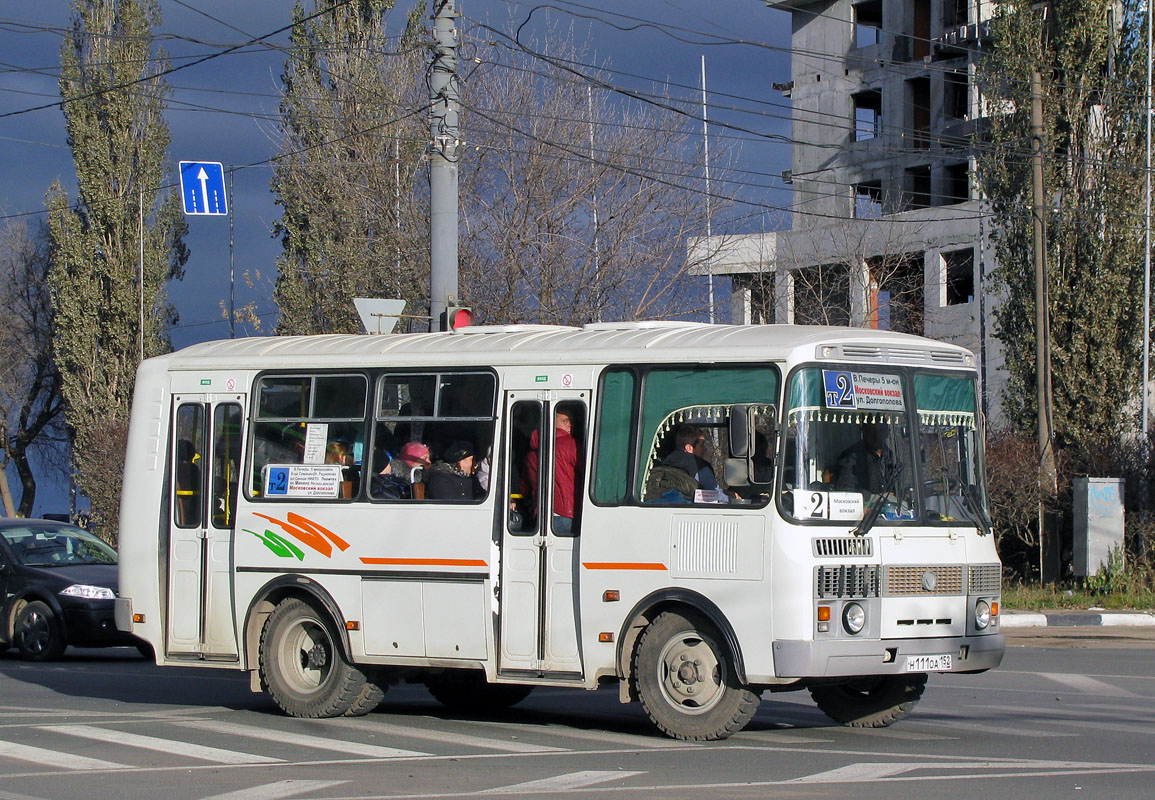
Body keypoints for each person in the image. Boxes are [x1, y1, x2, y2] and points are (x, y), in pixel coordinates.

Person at [525, 409, 580, 533]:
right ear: (552, 421)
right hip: (568, 513)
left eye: (570, 421)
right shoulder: (571, 445)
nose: (569, 424)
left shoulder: (532, 452)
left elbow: (526, 484)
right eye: (564, 420)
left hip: (541, 513)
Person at [834, 421, 893, 494]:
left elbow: (904, 485)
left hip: (894, 504)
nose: (877, 436)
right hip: (866, 505)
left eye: (881, 430)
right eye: (872, 431)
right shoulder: (851, 457)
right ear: (864, 432)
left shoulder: (892, 457)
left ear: (887, 432)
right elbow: (846, 491)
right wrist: (876, 497)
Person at [662, 426, 719, 490]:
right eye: (702, 444)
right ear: (689, 448)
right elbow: (713, 495)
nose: (705, 448)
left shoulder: (664, 465)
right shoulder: (701, 468)